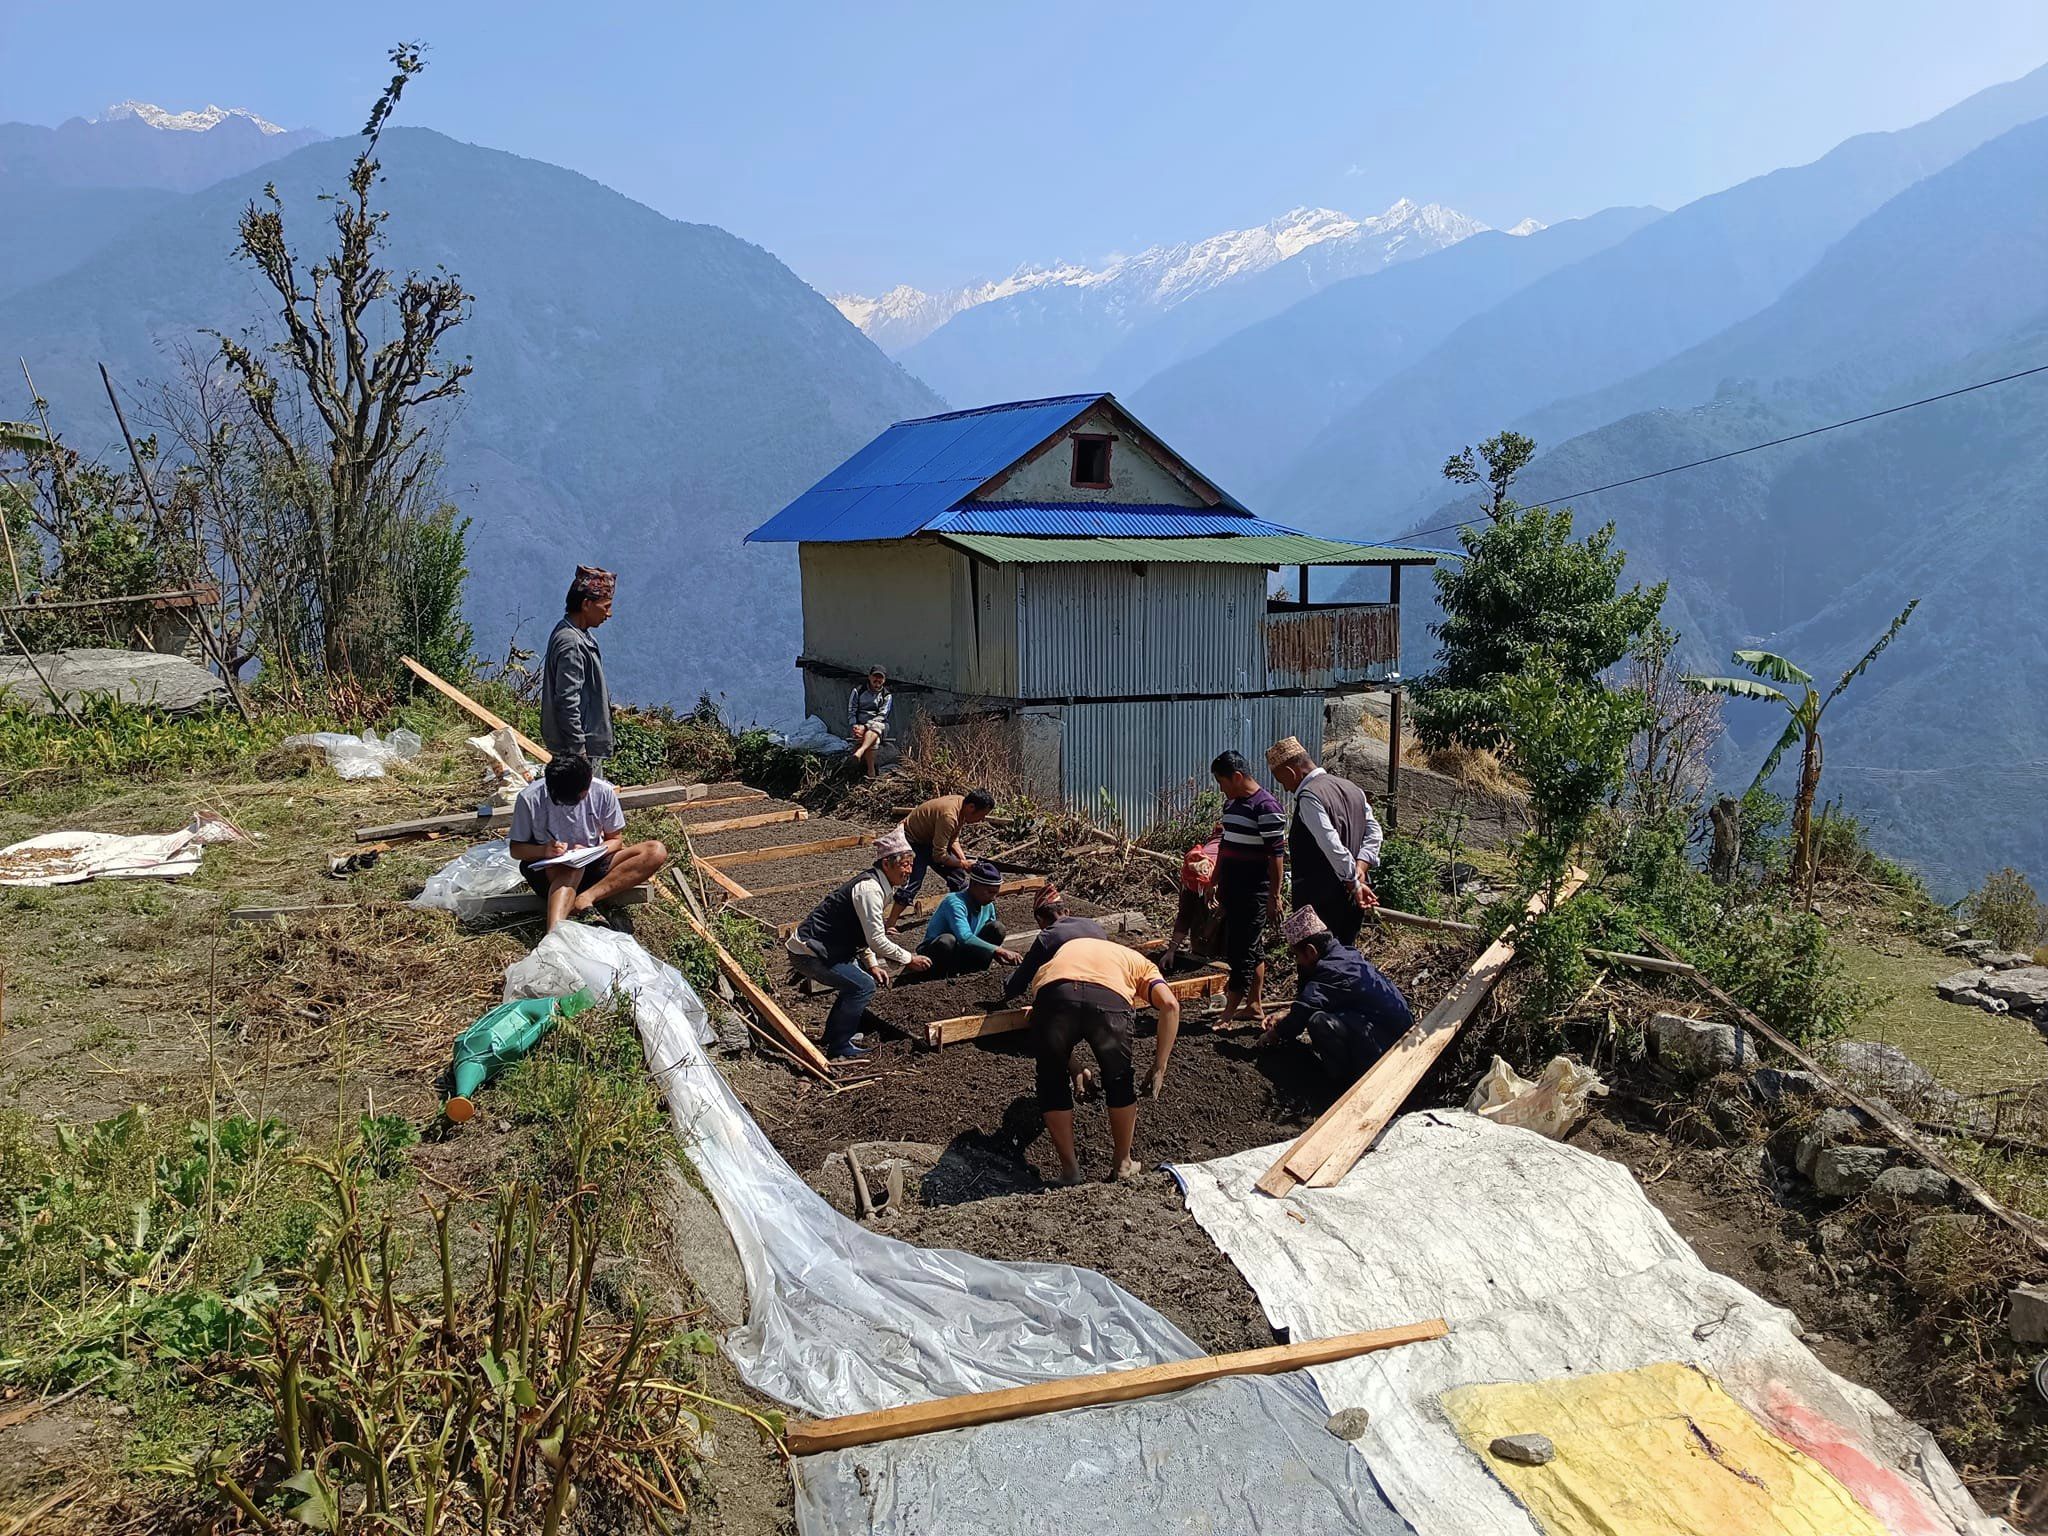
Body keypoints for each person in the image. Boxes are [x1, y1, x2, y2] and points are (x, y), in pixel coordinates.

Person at [1025, 936, 1182, 1184]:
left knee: (1051, 1081)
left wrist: (1073, 1066)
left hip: (1055, 994)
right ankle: (1122, 1164)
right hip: (1109, 1004)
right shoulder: (1141, 965)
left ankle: (1070, 1172)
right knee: (1118, 1080)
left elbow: (1049, 1018)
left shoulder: (1061, 957)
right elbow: (1171, 1005)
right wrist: (1159, 1066)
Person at [784, 827, 934, 1059]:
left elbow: (862, 934)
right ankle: (839, 1045)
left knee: (857, 983)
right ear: (887, 864)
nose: (909, 870)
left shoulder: (879, 887)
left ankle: (835, 1036)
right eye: (904, 864)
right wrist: (908, 958)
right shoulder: (870, 890)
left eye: (911, 864)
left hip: (825, 947)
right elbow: (875, 939)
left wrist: (872, 964)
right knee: (862, 986)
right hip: (810, 951)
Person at [507, 754, 670, 932]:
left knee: (656, 851)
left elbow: (616, 840)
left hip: (594, 862)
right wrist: (545, 850)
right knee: (572, 869)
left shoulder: (602, 792)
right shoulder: (530, 798)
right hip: (550, 871)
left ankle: (585, 898)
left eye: (576, 799)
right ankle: (554, 934)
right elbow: (516, 850)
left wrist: (594, 851)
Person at [1260, 907, 1413, 1086]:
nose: (1298, 962)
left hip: (1387, 1052)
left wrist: (1273, 1035)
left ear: (1310, 951)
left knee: (1319, 1021)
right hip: (1401, 1039)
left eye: (1297, 955)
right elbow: (1313, 1002)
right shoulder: (1346, 956)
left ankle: (1343, 1083)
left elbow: (1303, 1013)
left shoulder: (1330, 972)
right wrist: (1286, 1014)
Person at [1266, 736, 1383, 946]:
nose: (1285, 788)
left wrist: (1353, 881)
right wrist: (1361, 866)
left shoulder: (1310, 796)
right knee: (1345, 961)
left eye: (1282, 781)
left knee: (1317, 963)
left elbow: (1331, 844)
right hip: (1350, 900)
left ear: (1291, 772)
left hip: (1320, 902)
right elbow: (1374, 833)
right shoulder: (1352, 788)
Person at [1209, 751, 1286, 1028]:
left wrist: (1274, 896)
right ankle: (1253, 1005)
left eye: (1222, 781)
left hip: (1254, 891)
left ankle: (1229, 1012)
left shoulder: (1267, 808)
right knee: (1252, 949)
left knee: (1242, 950)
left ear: (1237, 777)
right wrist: (1214, 879)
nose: (1221, 788)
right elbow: (1225, 845)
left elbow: (1276, 856)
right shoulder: (1232, 805)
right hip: (1232, 886)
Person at [885, 787, 996, 925]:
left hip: (930, 840)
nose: (982, 819)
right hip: (913, 841)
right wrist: (963, 864)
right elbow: (939, 856)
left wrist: (963, 860)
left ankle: (962, 913)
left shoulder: (961, 806)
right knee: (913, 881)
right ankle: (890, 922)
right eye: (982, 814)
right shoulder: (949, 816)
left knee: (958, 876)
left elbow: (952, 839)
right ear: (971, 807)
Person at [541, 565, 616, 767]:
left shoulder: (579, 635)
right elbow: (567, 700)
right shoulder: (572, 643)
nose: (609, 614)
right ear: (586, 604)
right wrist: (579, 750)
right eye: (605, 606)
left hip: (581, 749)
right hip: (579, 753)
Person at [1000, 886, 1108, 1003]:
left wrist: (1009, 987)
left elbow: (1022, 977)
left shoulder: (1048, 937)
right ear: (1066, 912)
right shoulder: (1094, 926)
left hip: (1072, 999)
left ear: (1039, 919)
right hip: (1110, 991)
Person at [917, 860, 1021, 977]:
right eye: (990, 892)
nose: (993, 898)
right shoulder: (954, 902)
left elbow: (988, 934)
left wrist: (995, 952)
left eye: (996, 893)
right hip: (937, 953)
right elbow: (964, 937)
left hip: (962, 952)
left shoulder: (988, 905)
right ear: (974, 885)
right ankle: (939, 977)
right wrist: (998, 950)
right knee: (947, 940)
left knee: (997, 928)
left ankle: (973, 973)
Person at [1160, 834, 1226, 972]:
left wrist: (1208, 933)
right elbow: (1185, 915)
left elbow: (1227, 908)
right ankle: (1200, 951)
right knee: (1198, 912)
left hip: (1234, 876)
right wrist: (1171, 950)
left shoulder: (1225, 873)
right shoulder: (1191, 872)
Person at [848, 667, 892, 779]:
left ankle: (860, 752)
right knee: (874, 740)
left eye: (880, 679)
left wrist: (866, 726)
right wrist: (855, 726)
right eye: (875, 678)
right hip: (860, 724)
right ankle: (870, 771)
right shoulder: (858, 691)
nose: (877, 682)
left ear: (884, 680)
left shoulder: (886, 695)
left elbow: (882, 715)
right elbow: (851, 710)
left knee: (875, 728)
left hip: (879, 724)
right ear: (869, 677)